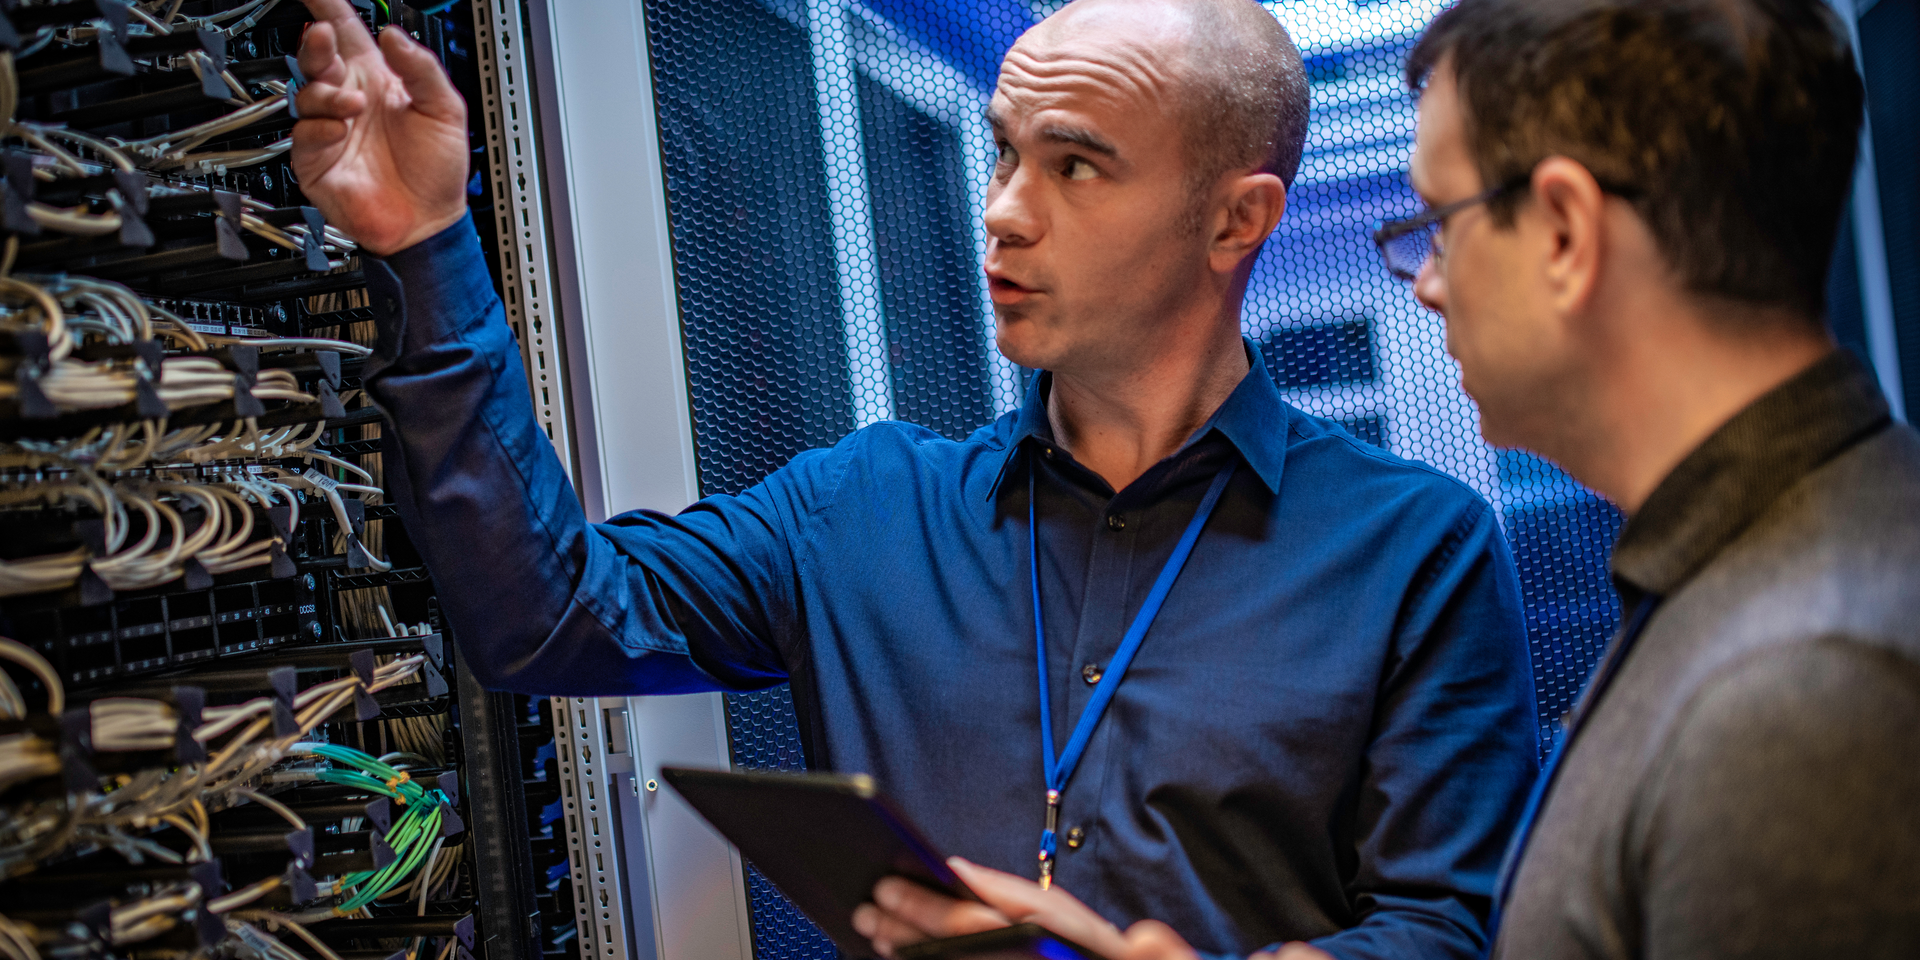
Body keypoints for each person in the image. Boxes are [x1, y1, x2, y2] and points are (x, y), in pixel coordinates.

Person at [288, 0, 1539, 956]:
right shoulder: (863, 508)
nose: (1002, 210)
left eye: (1075, 166)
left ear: (1236, 220)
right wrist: (429, 246)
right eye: (1003, 156)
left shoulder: (1414, 549)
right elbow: (547, 615)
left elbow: (1449, 930)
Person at [1387, 0, 1920, 956]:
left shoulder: (1799, 696)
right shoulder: (1755, 565)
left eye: (1438, 223)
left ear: (1563, 231)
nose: (1425, 281)